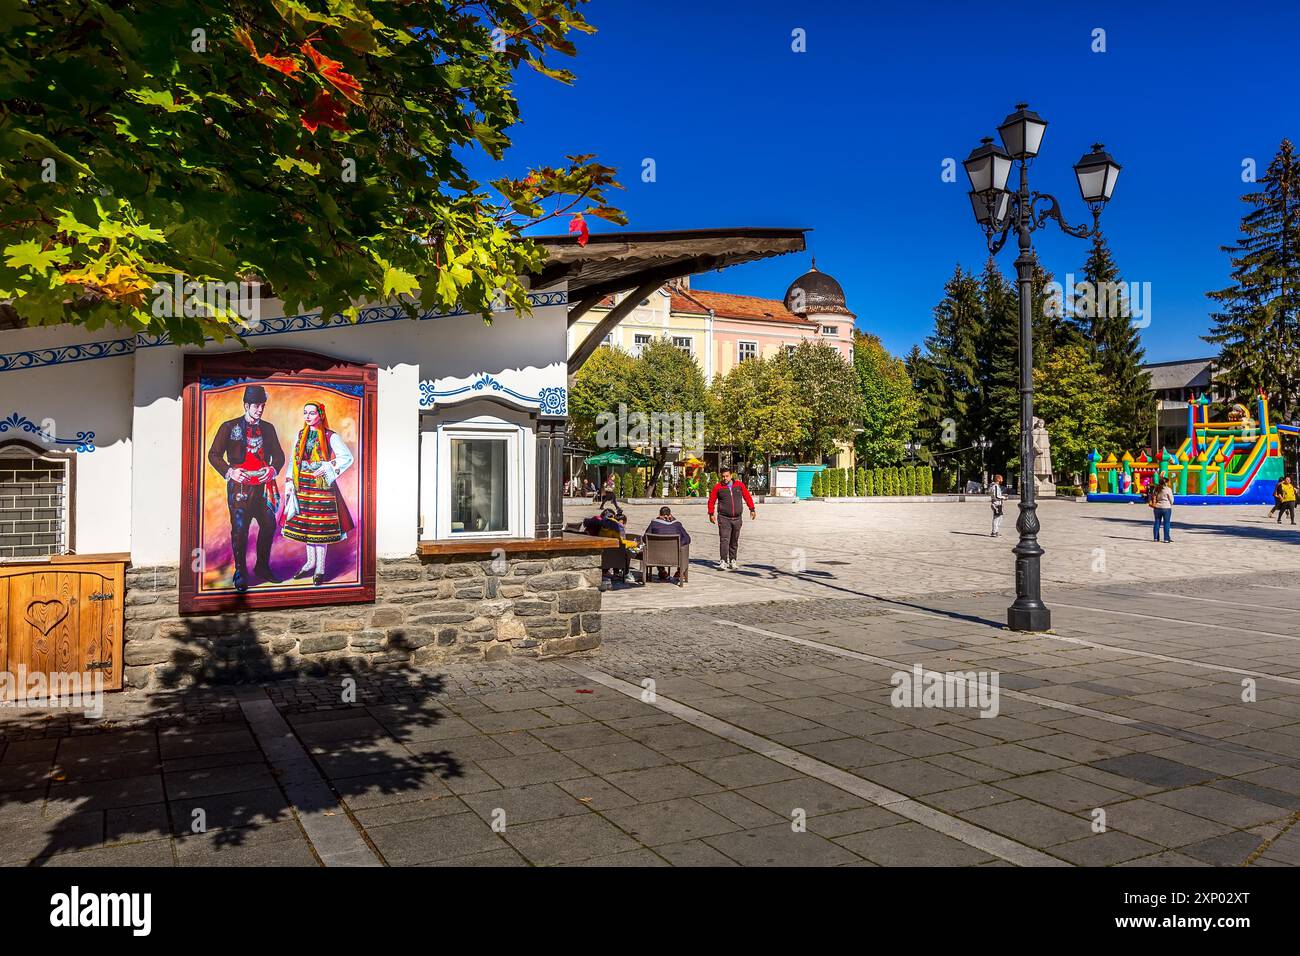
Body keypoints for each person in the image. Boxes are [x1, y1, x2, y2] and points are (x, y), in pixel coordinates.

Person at [206, 384, 286, 592]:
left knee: (269, 525)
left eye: (262, 406)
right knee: (240, 530)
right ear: (246, 405)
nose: (260, 409)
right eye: (256, 406)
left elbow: (279, 456)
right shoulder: (228, 426)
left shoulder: (268, 428)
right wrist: (231, 472)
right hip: (239, 488)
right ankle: (240, 571)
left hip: (263, 488)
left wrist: (272, 469)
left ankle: (262, 567)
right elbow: (213, 454)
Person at [281, 401, 355, 585]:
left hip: (321, 487)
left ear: (320, 415)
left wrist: (328, 467)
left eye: (312, 413)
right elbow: (294, 460)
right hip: (303, 484)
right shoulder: (301, 435)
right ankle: (310, 562)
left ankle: (320, 567)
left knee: (318, 527)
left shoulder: (330, 436)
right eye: (305, 412)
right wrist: (290, 481)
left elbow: (347, 457)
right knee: (307, 525)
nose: (307, 416)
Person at [707, 465, 756, 570]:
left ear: (731, 475)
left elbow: (747, 496)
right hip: (724, 518)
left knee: (734, 540)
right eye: (723, 476)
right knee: (724, 540)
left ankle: (733, 560)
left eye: (727, 476)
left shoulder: (739, 485)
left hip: (737, 518)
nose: (725, 478)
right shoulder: (718, 487)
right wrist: (711, 514)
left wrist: (752, 509)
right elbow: (711, 500)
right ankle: (723, 561)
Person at [643, 505, 691, 584]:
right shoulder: (677, 525)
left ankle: (662, 571)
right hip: (675, 556)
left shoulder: (654, 524)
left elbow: (645, 538)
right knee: (683, 548)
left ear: (659, 515)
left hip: (656, 557)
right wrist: (679, 544)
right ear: (670, 515)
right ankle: (679, 572)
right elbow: (687, 539)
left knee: (657, 548)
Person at [1150, 475, 1174, 543]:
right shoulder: (1168, 489)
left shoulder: (1156, 489)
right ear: (1166, 483)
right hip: (1166, 507)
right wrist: (1170, 504)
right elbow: (1171, 500)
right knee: (1166, 523)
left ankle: (1156, 538)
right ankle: (1166, 538)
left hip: (1157, 507)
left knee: (1157, 522)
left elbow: (1154, 497)